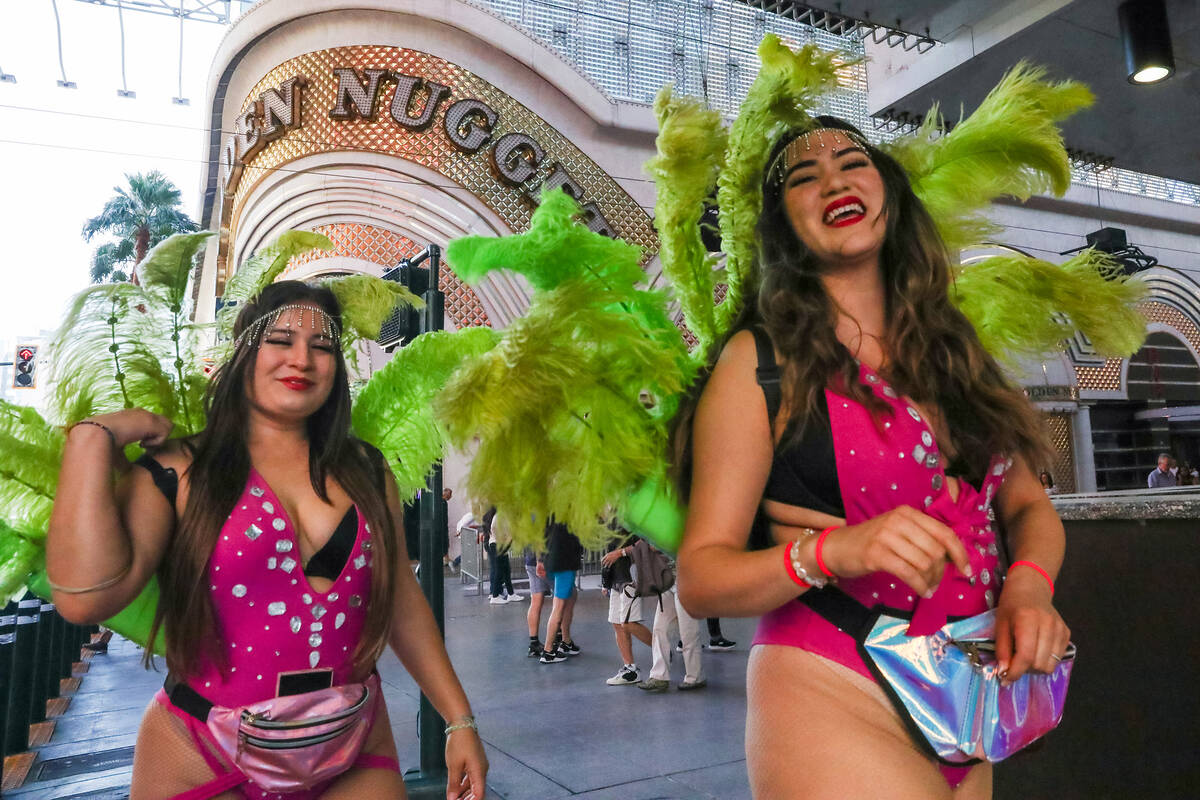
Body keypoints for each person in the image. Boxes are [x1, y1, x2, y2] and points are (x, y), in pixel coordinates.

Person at [672, 120, 1070, 798]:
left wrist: (1030, 586)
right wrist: (834, 553)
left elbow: (1028, 502)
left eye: (852, 162)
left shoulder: (957, 353)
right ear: (784, 226)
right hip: (833, 683)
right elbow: (700, 579)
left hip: (968, 693)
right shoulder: (761, 363)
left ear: (889, 192)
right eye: (804, 178)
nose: (832, 179)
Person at [46, 282, 488, 799]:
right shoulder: (179, 472)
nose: (302, 358)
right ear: (244, 354)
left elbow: (399, 604)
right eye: (281, 340)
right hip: (201, 750)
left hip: (353, 743)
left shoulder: (368, 469)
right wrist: (92, 439)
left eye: (323, 347)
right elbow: (85, 598)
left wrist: (459, 720)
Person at [638, 545, 704, 692]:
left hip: (687, 577)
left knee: (688, 630)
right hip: (668, 579)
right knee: (659, 628)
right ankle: (659, 676)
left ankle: (695, 677)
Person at [600, 526, 651, 686]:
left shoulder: (629, 515)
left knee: (628, 623)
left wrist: (620, 553)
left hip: (629, 577)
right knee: (617, 623)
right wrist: (605, 581)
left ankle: (660, 648)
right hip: (615, 577)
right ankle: (630, 669)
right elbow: (610, 548)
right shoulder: (609, 517)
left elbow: (646, 543)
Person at [535, 517, 582, 664]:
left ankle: (566, 641)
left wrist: (540, 560)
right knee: (559, 605)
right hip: (564, 563)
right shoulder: (573, 512)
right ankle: (548, 651)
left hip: (553, 560)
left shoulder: (550, 512)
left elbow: (541, 534)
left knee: (571, 596)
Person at [484, 507, 522, 604]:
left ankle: (510, 594)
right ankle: (495, 596)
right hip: (498, 544)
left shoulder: (502, 515)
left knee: (505, 569)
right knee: (499, 570)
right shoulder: (500, 515)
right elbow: (494, 527)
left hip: (499, 544)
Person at [523, 545, 551, 657]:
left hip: (530, 560)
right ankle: (559, 638)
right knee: (559, 600)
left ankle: (534, 643)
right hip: (544, 561)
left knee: (535, 602)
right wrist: (540, 560)